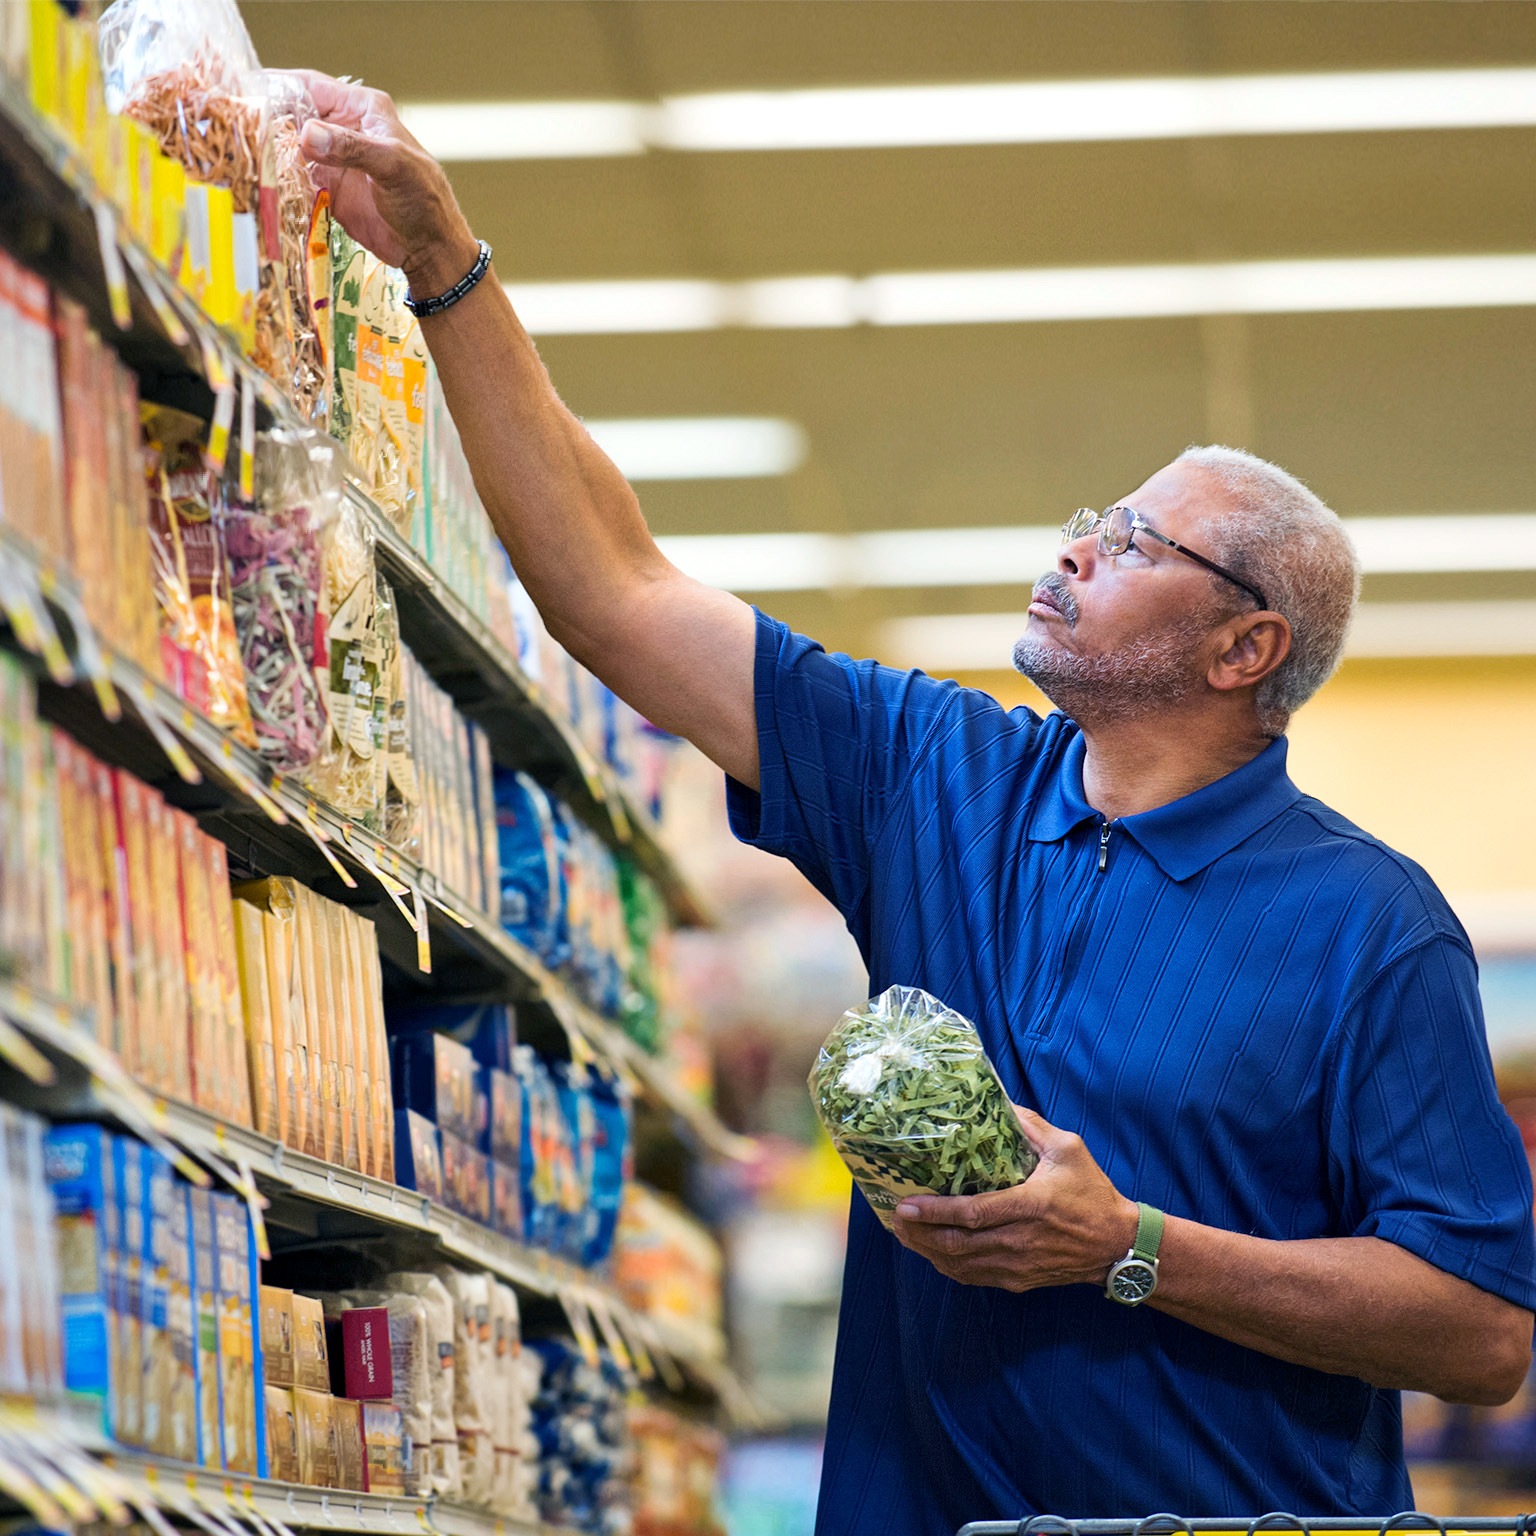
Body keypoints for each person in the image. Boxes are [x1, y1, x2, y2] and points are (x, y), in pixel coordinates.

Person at [294, 75, 1536, 1529]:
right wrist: (449, 264)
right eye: (1090, 519)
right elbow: (616, 593)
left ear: (1244, 646)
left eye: (1134, 542)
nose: (1075, 551)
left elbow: (1481, 1333)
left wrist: (1129, 1245)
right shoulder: (941, 777)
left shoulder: (1370, 927)